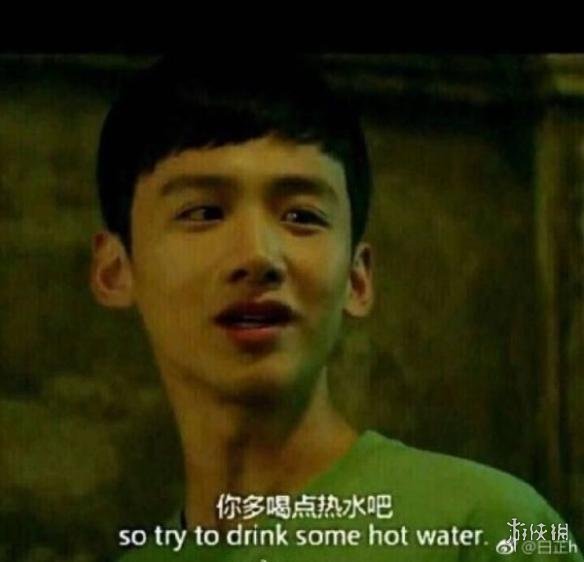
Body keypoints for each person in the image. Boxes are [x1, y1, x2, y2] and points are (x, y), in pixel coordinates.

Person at [91, 55, 582, 561]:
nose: (258, 256)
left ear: (357, 278)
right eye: (203, 212)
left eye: (302, 216)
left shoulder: (495, 525)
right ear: (115, 270)